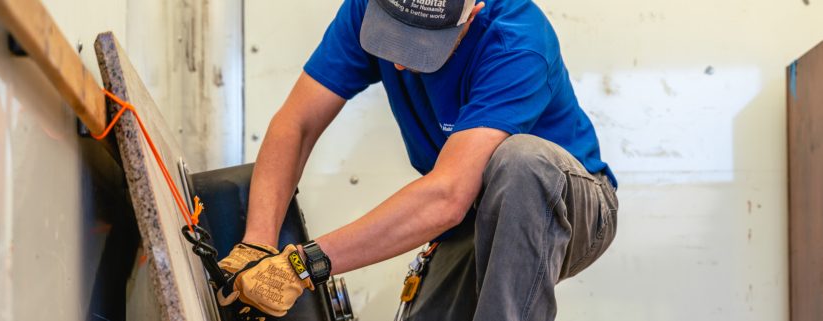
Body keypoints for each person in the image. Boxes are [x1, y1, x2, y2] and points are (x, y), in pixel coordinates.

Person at [215, 0, 619, 320]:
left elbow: (447, 196)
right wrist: (258, 242)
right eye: (388, 38)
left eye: (421, 45)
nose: (400, 62)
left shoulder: (517, 42)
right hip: (472, 213)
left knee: (521, 160)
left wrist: (305, 265)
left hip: (569, 207)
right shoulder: (366, 7)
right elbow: (296, 123)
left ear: (471, 13)